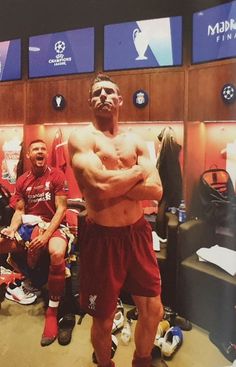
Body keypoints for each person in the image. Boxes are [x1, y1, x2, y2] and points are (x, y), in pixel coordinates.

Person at [68, 73, 164, 367]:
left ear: (120, 100)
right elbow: (96, 190)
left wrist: (114, 185)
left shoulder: (136, 140)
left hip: (136, 234)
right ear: (90, 102)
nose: (103, 97)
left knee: (154, 309)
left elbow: (157, 190)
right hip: (101, 239)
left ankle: (142, 359)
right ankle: (105, 363)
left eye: (109, 92)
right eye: (97, 93)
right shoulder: (82, 138)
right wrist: (138, 172)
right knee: (103, 317)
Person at [0, 139, 69, 346]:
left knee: (57, 252)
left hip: (53, 226)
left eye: (43, 149)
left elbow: (62, 209)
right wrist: (11, 229)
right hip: (29, 227)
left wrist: (46, 236)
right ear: (29, 155)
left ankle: (52, 311)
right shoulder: (22, 180)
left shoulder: (57, 175)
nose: (40, 152)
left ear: (46, 154)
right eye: (35, 149)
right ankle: (19, 279)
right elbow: (19, 212)